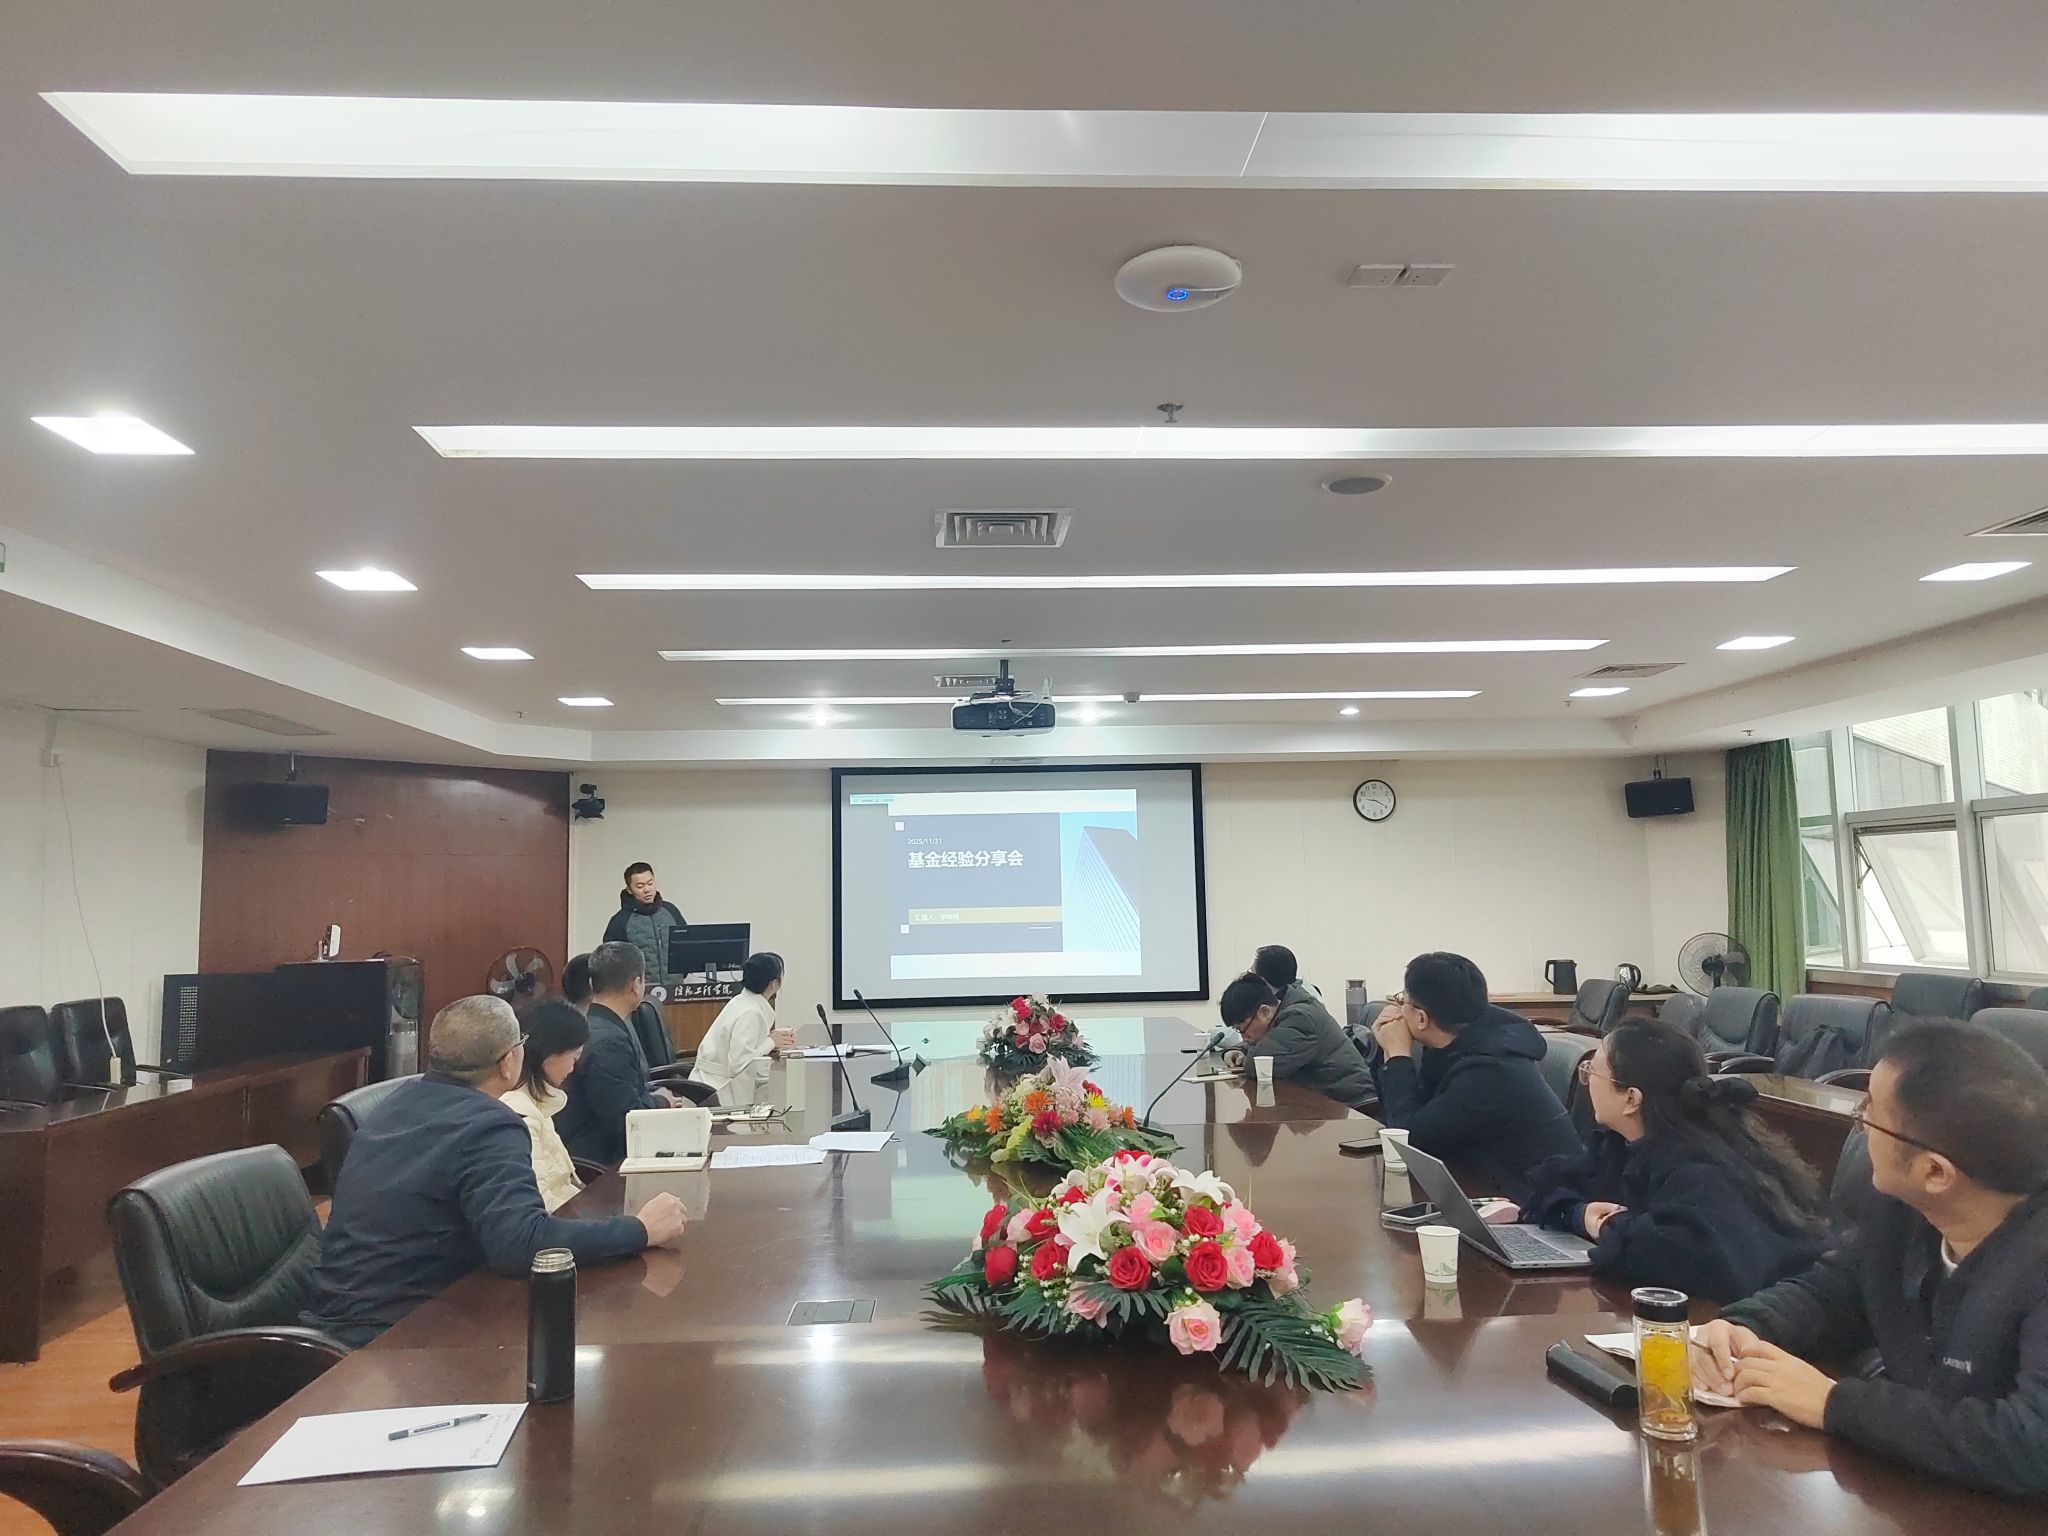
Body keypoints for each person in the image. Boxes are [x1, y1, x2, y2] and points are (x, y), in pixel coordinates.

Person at [1694, 1019, 2048, 1498]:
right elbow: (1834, 1292)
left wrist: (1833, 1404)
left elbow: (2033, 1444)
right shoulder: (1900, 1211)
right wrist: (1744, 1326)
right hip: (1918, 1494)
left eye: (1870, 1113)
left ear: (1935, 1173)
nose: (1858, 1123)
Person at [300, 995, 685, 1347]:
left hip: (350, 1310)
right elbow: (520, 1244)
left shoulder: (393, 1104)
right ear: (508, 1061)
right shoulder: (490, 1124)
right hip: (399, 1335)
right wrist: (639, 1230)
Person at [1514, 1020, 1827, 1302]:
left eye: (1592, 1072)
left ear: (1631, 1098)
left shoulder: (1700, 1168)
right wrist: (1580, 1215)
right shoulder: (1624, 1145)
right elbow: (1547, 1181)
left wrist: (1608, 1224)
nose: (1587, 1082)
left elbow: (1671, 1258)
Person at [1371, 951, 1582, 1188]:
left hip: (1537, 1199)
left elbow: (1408, 1142)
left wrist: (1398, 1055)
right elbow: (1408, 1116)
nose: (1399, 1011)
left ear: (1421, 1018)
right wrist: (1389, 1052)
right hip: (1485, 1182)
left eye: (1403, 1001)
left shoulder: (1491, 1071)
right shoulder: (1457, 1042)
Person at [555, 942, 675, 1165]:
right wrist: (661, 1102)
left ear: (592, 984)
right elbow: (627, 1120)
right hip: (602, 1163)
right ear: (636, 985)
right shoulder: (608, 1042)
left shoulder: (594, 1025)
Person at [1218, 971, 1375, 1111]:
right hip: (1328, 1100)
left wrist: (1246, 1055)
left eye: (1242, 1029)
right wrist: (1238, 1050)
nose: (1243, 1036)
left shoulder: (1299, 1019)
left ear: (1264, 1012)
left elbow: (1257, 1065)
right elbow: (1269, 1042)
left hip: (1356, 1106)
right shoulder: (1285, 1011)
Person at [501, 1000, 592, 1212]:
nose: (573, 1067)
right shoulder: (520, 1112)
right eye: (574, 1056)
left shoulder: (539, 1102)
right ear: (549, 1054)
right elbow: (542, 1205)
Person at [689, 952, 798, 1103]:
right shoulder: (751, 1013)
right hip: (717, 1090)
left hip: (708, 1083)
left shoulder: (741, 1001)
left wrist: (771, 1040)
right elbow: (740, 1065)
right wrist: (771, 1041)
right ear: (774, 984)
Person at [603, 862, 685, 986]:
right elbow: (610, 962)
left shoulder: (670, 911)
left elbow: (686, 945)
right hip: (638, 992)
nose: (647, 889)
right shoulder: (620, 921)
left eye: (650, 883)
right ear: (629, 890)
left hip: (676, 988)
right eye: (640, 886)